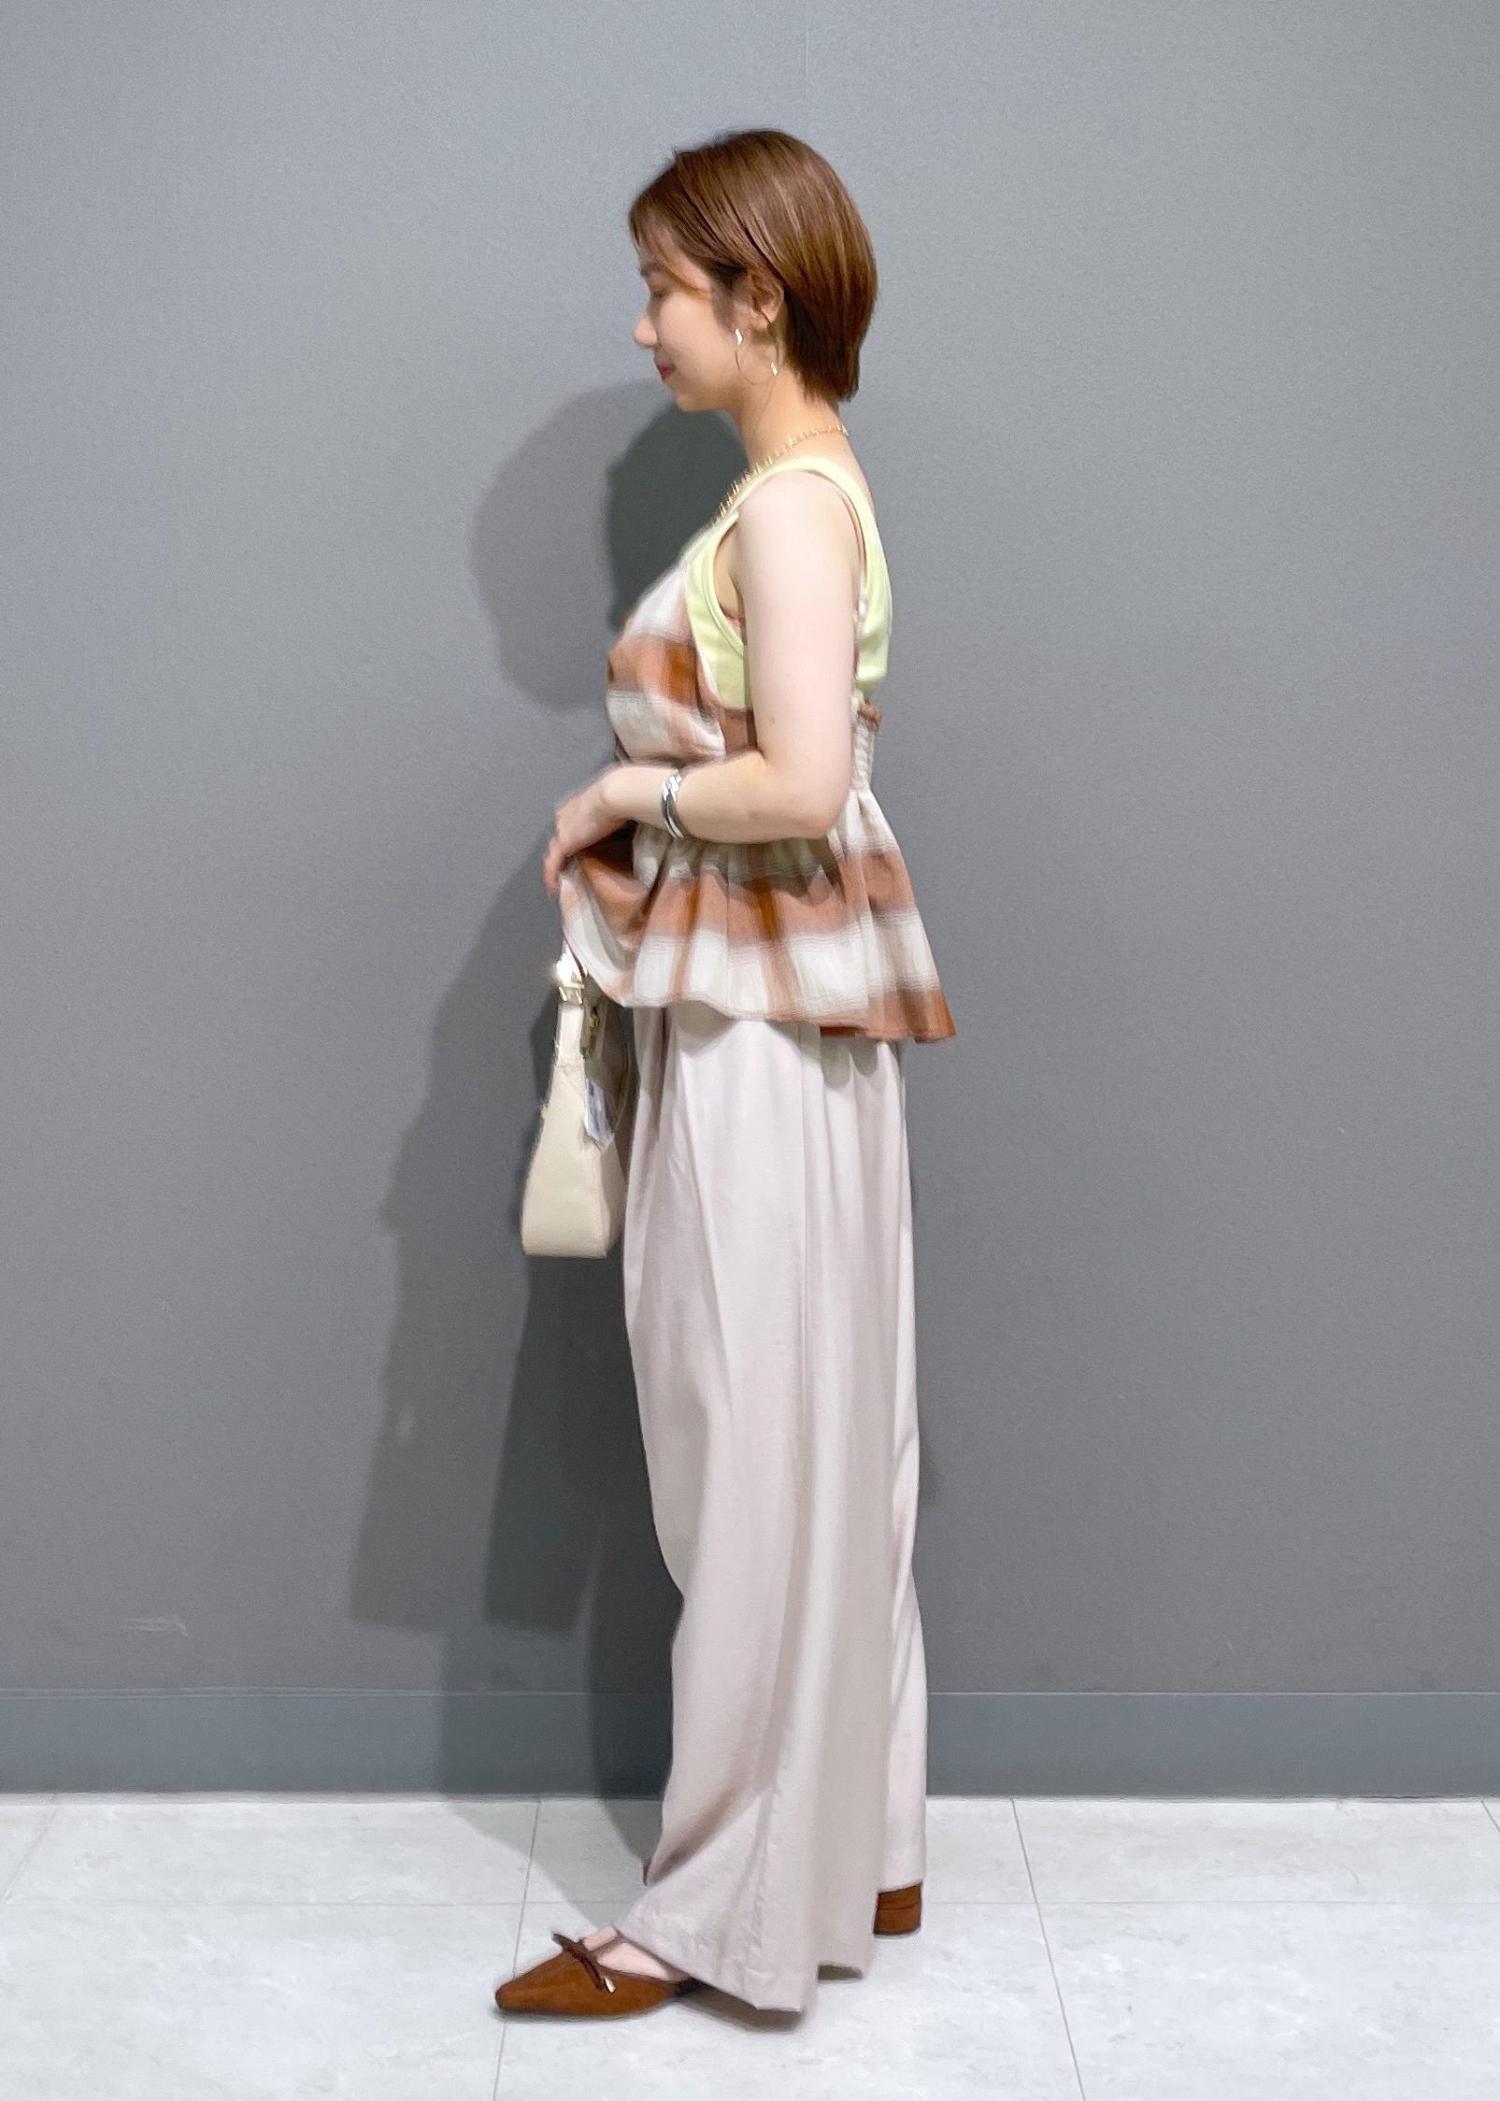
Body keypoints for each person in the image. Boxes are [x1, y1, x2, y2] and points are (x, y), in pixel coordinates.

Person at [497, 127, 956, 2022]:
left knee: (747, 1446)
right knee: (829, 1432)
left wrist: (628, 785)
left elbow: (802, 780)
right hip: (792, 1012)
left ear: (760, 298)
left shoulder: (785, 509)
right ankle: (864, 1844)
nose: (644, 326)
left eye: (665, 290)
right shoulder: (810, 493)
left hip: (758, 1031)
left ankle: (720, 1912)